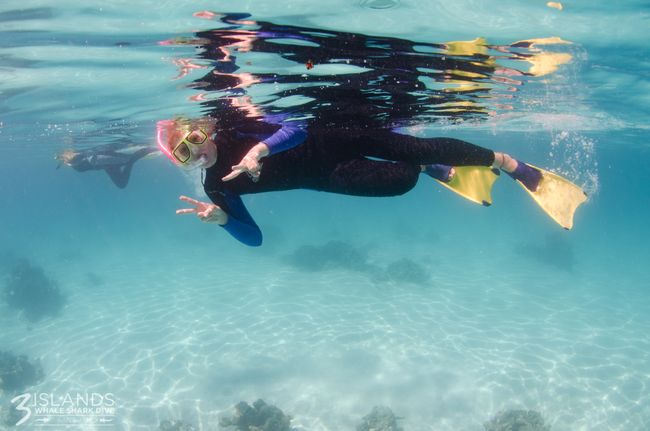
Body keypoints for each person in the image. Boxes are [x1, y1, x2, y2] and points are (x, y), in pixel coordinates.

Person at [156, 115, 585, 247]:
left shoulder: (236, 125)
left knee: (419, 149)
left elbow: (297, 127)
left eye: (196, 139)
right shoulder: (218, 188)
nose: (199, 151)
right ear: (181, 162)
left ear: (204, 129)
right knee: (399, 181)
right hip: (326, 175)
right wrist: (222, 221)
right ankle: (426, 172)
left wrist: (261, 149)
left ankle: (511, 165)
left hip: (336, 133)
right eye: (185, 153)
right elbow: (255, 239)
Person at [56, 143, 158, 189]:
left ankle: (154, 148)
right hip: (107, 165)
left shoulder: (81, 159)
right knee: (122, 184)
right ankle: (137, 156)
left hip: (105, 162)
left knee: (130, 159)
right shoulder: (76, 165)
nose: (66, 156)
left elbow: (97, 158)